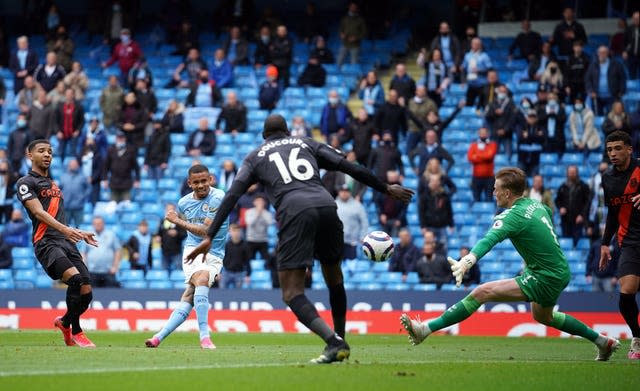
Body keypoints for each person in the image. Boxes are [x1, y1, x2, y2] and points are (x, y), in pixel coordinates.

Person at [186, 114, 413, 363]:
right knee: (334, 277)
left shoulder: (255, 156)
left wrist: (210, 234)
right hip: (327, 205)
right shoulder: (307, 143)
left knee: (292, 292)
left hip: (295, 211)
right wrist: (386, 188)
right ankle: (340, 338)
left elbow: (232, 196)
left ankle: (334, 342)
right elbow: (349, 167)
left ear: (264, 136)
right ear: (287, 132)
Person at [400, 167, 621, 361]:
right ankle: (602, 342)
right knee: (544, 316)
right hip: (558, 270)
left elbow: (489, 239)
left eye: (495, 188)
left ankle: (425, 329)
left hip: (545, 275)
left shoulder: (511, 216)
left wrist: (468, 260)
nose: (493, 192)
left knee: (481, 292)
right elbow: (546, 226)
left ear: (507, 192)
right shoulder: (538, 205)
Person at [16, 139, 98, 347]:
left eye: (50, 152)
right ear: (30, 155)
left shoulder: (53, 185)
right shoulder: (26, 182)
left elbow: (59, 218)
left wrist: (77, 231)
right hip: (46, 242)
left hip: (66, 242)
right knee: (76, 280)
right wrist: (66, 230)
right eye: (41, 151)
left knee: (86, 292)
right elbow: (38, 212)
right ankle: (77, 331)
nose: (47, 155)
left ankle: (64, 322)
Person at [146, 164, 228, 349]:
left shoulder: (218, 196)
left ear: (211, 180)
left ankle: (158, 337)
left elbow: (205, 231)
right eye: (196, 182)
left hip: (215, 253)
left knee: (190, 296)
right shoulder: (183, 203)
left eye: (204, 181)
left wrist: (177, 221)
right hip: (193, 250)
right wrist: (179, 222)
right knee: (202, 278)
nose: (201, 185)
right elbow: (189, 231)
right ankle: (205, 337)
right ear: (189, 183)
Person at [599, 131, 640, 360]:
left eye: (617, 148)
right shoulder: (608, 179)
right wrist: (605, 243)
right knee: (626, 294)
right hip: (630, 240)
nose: (613, 154)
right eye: (609, 150)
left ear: (629, 149)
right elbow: (613, 213)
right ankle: (638, 337)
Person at [336, 184, 368, 275]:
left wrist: (363, 236)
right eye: (342, 191)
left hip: (352, 242)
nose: (344, 193)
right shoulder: (333, 204)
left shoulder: (357, 205)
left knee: (351, 268)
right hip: (337, 241)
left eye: (346, 191)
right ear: (339, 192)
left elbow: (364, 222)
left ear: (349, 193)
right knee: (338, 268)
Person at [585, 46, 627, 116]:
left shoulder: (616, 64)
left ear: (607, 53)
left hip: (612, 96)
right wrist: (590, 90)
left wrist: (621, 91)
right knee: (598, 116)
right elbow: (587, 79)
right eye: (600, 52)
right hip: (597, 97)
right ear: (597, 53)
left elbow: (623, 78)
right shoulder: (593, 65)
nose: (602, 54)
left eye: (604, 52)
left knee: (611, 117)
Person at [555, 165, 590, 247]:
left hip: (578, 220)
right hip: (565, 220)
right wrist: (560, 208)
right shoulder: (562, 187)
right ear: (567, 173)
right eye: (570, 172)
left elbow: (587, 203)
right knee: (565, 243)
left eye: (573, 172)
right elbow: (557, 200)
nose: (571, 174)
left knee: (577, 243)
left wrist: (582, 215)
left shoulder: (583, 186)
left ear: (577, 173)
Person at [102, 132, 140, 203]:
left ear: (125, 139)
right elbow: (106, 166)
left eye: (122, 138)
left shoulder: (130, 150)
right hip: (114, 183)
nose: (120, 140)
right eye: (118, 138)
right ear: (116, 139)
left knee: (126, 205)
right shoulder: (111, 150)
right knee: (113, 205)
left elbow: (136, 167)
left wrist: (137, 179)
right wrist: (105, 179)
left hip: (126, 182)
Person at [84, 216, 121, 288]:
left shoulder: (111, 235)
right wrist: (85, 268)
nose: (98, 225)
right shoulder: (87, 235)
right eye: (96, 223)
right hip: (92, 272)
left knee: (110, 295)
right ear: (93, 224)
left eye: (99, 223)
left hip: (108, 272)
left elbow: (118, 251)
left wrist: (115, 266)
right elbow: (83, 253)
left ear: (103, 224)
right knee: (91, 295)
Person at [418, 175, 454, 247]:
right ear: (430, 182)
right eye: (433, 181)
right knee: (429, 247)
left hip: (442, 226)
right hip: (429, 226)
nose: (434, 183)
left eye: (436, 181)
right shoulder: (425, 195)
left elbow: (449, 210)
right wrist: (423, 226)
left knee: (444, 248)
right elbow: (421, 211)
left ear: (439, 182)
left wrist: (451, 224)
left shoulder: (444, 194)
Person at [484, 85, 516, 157]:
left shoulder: (511, 104)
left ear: (507, 92)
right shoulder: (492, 103)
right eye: (501, 91)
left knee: (508, 156)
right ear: (497, 92)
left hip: (507, 134)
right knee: (492, 155)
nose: (502, 93)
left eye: (504, 92)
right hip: (494, 133)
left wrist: (505, 130)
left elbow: (513, 119)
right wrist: (494, 113)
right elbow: (487, 116)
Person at [467, 127, 498, 202]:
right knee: (476, 199)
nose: (483, 134)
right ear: (478, 134)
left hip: (489, 177)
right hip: (476, 177)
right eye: (481, 132)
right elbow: (470, 157)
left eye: (484, 132)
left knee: (489, 199)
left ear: (487, 134)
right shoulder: (474, 145)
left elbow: (490, 156)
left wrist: (477, 155)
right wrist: (484, 155)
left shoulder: (493, 144)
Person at [55, 88, 84, 163]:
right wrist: (58, 131)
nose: (69, 96)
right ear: (65, 95)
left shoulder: (79, 107)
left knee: (74, 153)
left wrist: (78, 131)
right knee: (60, 152)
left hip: (73, 134)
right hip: (62, 133)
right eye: (67, 94)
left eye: (70, 94)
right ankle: (60, 168)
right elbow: (55, 120)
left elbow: (82, 121)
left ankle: (75, 168)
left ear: (73, 95)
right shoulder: (59, 106)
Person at [461, 38, 493, 108]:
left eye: (477, 44)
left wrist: (479, 71)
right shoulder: (467, 55)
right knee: (469, 104)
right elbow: (463, 69)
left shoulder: (484, 56)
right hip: (471, 84)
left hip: (482, 85)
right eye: (474, 43)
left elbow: (490, 70)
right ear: (471, 45)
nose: (475, 45)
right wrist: (463, 80)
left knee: (484, 104)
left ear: (480, 45)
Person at [156, 203, 187, 271]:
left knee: (178, 271)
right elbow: (159, 233)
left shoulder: (179, 221)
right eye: (168, 210)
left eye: (171, 209)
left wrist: (177, 233)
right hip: (164, 252)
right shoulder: (162, 221)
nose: (169, 211)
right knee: (164, 272)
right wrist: (158, 237)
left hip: (176, 252)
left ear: (174, 211)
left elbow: (185, 234)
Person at [406, 86, 437, 152]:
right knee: (409, 151)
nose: (421, 92)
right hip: (413, 129)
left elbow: (434, 117)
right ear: (416, 91)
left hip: (425, 130)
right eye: (419, 90)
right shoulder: (411, 102)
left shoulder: (431, 103)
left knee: (426, 151)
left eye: (423, 91)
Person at [58, 159, 87, 228]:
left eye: (75, 165)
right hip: (66, 206)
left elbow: (88, 188)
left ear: (78, 166)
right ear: (69, 166)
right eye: (72, 164)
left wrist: (83, 196)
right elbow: (59, 189)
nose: (73, 166)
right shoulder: (63, 177)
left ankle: (79, 239)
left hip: (78, 207)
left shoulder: (82, 177)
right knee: (65, 227)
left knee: (80, 227)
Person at [222, 223, 252, 288]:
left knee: (238, 295)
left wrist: (248, 275)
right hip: (226, 272)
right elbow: (221, 259)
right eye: (233, 231)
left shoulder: (245, 246)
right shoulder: (226, 245)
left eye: (237, 231)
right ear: (230, 232)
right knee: (221, 293)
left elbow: (247, 261)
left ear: (240, 232)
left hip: (239, 273)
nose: (236, 233)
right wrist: (218, 272)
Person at [244, 195, 273, 261]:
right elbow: (249, 223)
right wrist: (257, 213)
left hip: (263, 240)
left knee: (267, 260)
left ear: (264, 203)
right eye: (258, 201)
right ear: (254, 202)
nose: (260, 203)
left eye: (261, 201)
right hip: (251, 239)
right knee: (249, 259)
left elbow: (270, 223)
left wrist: (262, 213)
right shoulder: (249, 212)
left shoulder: (267, 213)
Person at [623, 11, 640, 80]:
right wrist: (624, 51)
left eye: (638, 18)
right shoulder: (629, 29)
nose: (636, 20)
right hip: (631, 56)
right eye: (634, 18)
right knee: (632, 74)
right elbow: (624, 42)